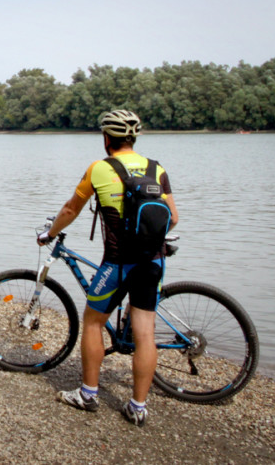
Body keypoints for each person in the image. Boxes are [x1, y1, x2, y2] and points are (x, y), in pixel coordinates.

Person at [36, 109, 178, 427]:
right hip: (154, 261)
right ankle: (137, 407)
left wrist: (50, 234)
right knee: (145, 334)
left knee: (92, 322)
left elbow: (71, 208)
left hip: (118, 262)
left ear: (106, 138)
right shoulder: (157, 169)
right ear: (133, 138)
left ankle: (88, 395)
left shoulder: (99, 169)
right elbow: (174, 217)